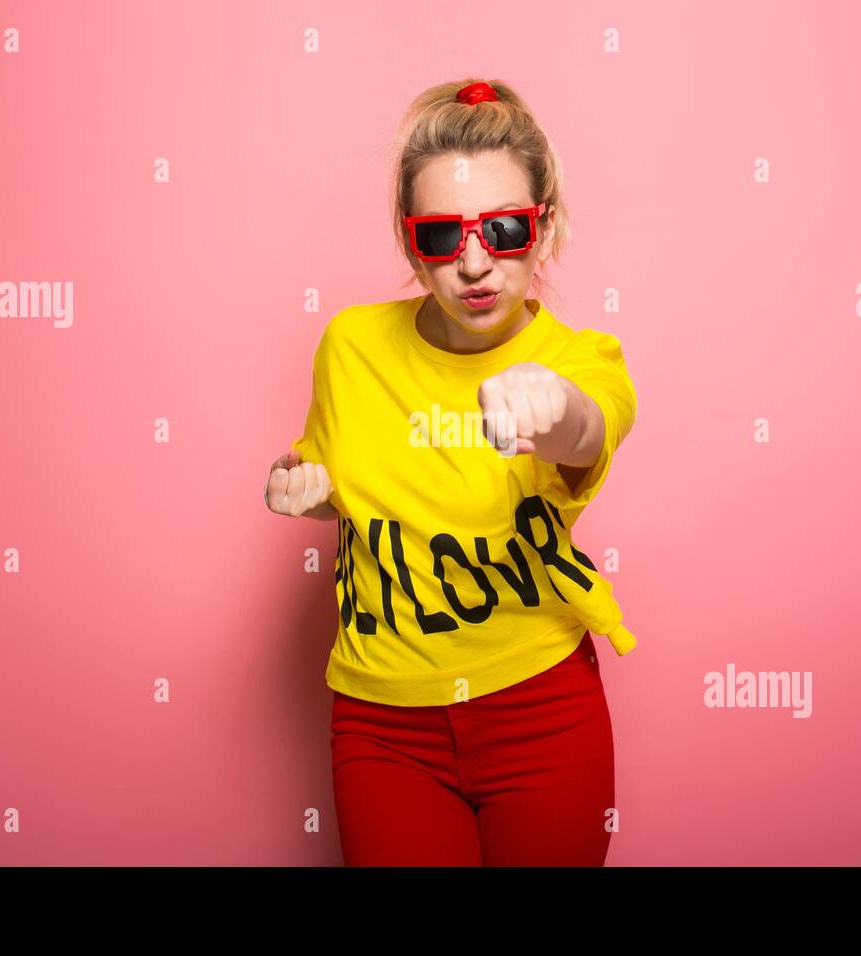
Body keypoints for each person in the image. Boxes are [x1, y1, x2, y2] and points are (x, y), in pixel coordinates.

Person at [265, 78, 639, 866]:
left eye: (504, 229)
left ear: (545, 231)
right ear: (409, 243)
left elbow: (588, 429)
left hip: (540, 709)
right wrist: (310, 496)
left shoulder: (581, 361)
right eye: (441, 236)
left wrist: (552, 405)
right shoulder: (351, 347)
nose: (474, 263)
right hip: (381, 719)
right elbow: (358, 484)